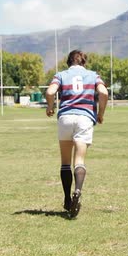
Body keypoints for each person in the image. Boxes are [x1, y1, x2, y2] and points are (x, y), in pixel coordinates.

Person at [45, 50, 108, 218]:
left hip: (65, 117)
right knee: (79, 160)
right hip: (85, 118)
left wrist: (50, 107)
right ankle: (78, 191)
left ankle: (67, 199)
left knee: (65, 161)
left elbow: (50, 92)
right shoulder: (93, 75)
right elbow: (104, 93)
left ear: (68, 62)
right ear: (84, 62)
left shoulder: (60, 75)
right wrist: (100, 113)